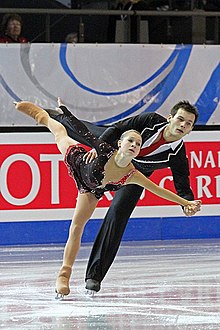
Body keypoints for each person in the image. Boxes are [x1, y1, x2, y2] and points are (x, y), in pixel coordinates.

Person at [14, 99, 201, 298]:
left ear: (190, 129)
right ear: (170, 118)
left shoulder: (177, 154)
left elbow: (182, 185)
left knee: (118, 216)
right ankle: (56, 115)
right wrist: (98, 147)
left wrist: (187, 204)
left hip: (134, 176)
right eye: (180, 119)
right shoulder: (151, 120)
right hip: (112, 151)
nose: (183, 125)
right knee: (86, 132)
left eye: (188, 123)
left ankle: (94, 277)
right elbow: (118, 128)